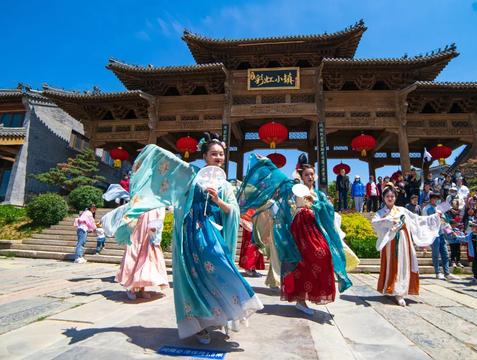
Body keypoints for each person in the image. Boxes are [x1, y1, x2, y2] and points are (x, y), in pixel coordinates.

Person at [106, 133, 263, 344]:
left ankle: (225, 311)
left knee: (221, 270)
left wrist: (217, 200)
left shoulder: (226, 184)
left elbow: (232, 210)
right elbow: (172, 174)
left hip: (213, 233)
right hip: (191, 233)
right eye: (214, 154)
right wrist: (154, 152)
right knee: (195, 278)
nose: (218, 157)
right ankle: (200, 325)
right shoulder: (193, 176)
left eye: (221, 154)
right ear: (205, 156)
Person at [238, 154, 352, 315]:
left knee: (323, 255)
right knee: (301, 262)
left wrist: (317, 204)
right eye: (307, 174)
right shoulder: (294, 188)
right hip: (300, 228)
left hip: (315, 227)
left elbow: (328, 210)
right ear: (301, 176)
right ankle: (300, 299)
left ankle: (310, 294)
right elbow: (279, 178)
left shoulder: (319, 194)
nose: (310, 177)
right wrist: (266, 162)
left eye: (312, 174)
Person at [372, 184, 443, 306]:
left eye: (392, 196)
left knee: (402, 265)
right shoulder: (380, 212)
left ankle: (400, 291)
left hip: (403, 241)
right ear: (383, 198)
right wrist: (388, 221)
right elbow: (375, 223)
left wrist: (434, 217)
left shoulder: (402, 210)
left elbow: (417, 219)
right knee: (392, 265)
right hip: (389, 243)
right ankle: (391, 288)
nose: (390, 198)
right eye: (388, 196)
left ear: (395, 197)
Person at [113, 208, 169, 300]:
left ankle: (142, 288)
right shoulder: (142, 198)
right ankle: (131, 287)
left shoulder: (157, 203)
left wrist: (157, 229)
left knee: (146, 260)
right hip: (137, 230)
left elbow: (160, 216)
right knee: (134, 257)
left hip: (149, 233)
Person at [422, 193, 453, 280]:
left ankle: (447, 273)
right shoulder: (426, 208)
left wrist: (449, 230)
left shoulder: (440, 208)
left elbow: (445, 220)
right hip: (433, 233)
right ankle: (437, 272)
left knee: (445, 253)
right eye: (435, 199)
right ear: (431, 199)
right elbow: (425, 221)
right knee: (435, 253)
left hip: (441, 232)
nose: (436, 201)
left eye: (437, 199)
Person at [238, 209, 265, 277]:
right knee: (250, 246)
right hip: (249, 221)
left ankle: (252, 268)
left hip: (256, 220)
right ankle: (248, 268)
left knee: (256, 247)